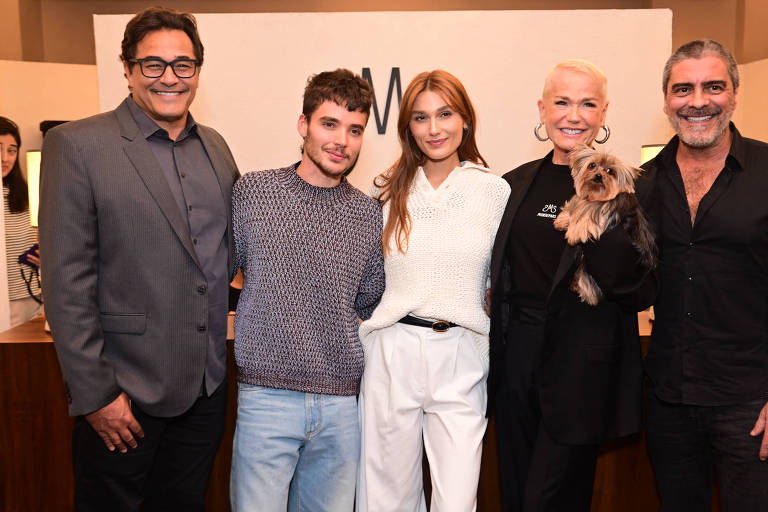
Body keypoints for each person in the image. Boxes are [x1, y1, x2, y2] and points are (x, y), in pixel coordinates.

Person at [38, 7, 239, 511]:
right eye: (153, 65)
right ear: (127, 69)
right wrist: (96, 396)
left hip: (204, 392)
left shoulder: (215, 148)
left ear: (198, 71)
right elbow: (66, 282)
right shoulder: (77, 145)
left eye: (183, 65)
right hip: (122, 398)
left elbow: (222, 260)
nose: (169, 78)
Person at [488, 60, 656, 511]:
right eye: (562, 102)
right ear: (542, 109)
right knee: (515, 489)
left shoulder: (627, 189)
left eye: (587, 104)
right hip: (517, 357)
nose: (573, 115)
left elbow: (641, 289)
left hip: (583, 365)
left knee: (553, 496)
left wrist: (600, 220)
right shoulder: (513, 183)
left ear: (603, 113)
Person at [229, 68, 384, 512]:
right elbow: (219, 276)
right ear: (304, 125)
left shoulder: (368, 214)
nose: (342, 141)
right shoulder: (253, 192)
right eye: (329, 124)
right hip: (265, 398)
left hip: (341, 406)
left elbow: (371, 302)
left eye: (355, 130)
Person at [356, 70, 510, 512]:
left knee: (458, 500)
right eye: (421, 118)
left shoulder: (495, 191)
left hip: (462, 352)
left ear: (465, 119)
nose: (434, 128)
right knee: (387, 498)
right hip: (392, 350)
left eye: (445, 114)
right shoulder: (386, 188)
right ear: (408, 127)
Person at [641, 39, 768, 511]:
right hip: (668, 399)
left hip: (751, 405)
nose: (697, 101)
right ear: (667, 99)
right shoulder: (641, 182)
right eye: (683, 89)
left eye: (713, 87)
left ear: (735, 93)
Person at [0, 116, 42, 326]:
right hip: (4, 301)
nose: (5, 158)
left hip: (31, 297)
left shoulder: (27, 196)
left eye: (12, 150)